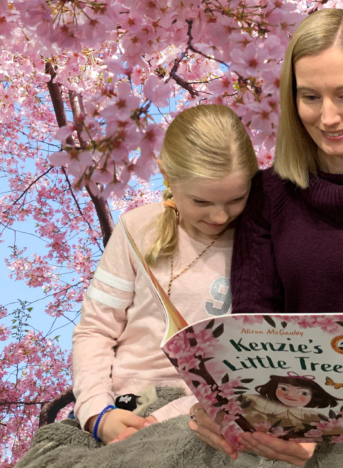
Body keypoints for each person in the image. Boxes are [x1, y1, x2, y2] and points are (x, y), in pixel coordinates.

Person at [190, 8, 343, 466]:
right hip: (273, 389)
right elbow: (253, 315)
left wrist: (322, 417)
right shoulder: (266, 195)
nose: (328, 117)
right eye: (310, 97)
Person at [71, 104, 258, 445]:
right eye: (200, 201)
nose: (219, 216)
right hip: (123, 405)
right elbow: (96, 328)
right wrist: (97, 411)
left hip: (208, 411)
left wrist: (167, 418)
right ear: (167, 175)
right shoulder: (137, 228)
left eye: (236, 199)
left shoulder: (261, 241)